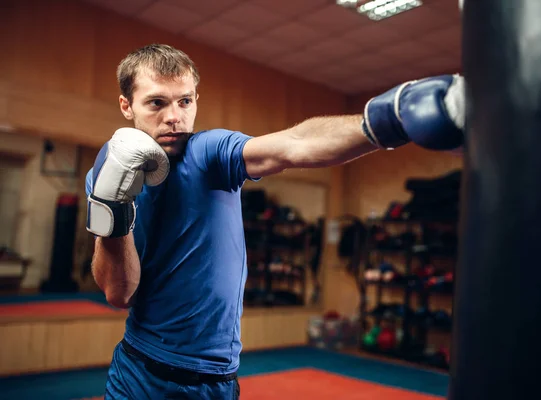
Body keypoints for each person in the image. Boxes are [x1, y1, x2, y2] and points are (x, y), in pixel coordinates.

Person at [85, 43, 465, 399]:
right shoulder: (103, 177)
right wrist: (113, 206)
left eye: (185, 101)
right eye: (156, 103)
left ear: (196, 101)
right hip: (140, 373)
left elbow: (293, 145)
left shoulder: (209, 152)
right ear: (126, 106)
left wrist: (388, 119)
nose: (174, 117)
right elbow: (120, 294)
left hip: (217, 380)